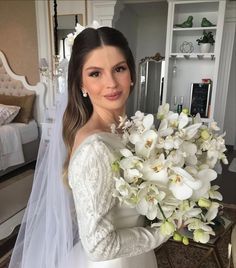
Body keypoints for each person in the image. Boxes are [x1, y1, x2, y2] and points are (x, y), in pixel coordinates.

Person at [9, 26, 169, 268]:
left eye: (119, 69)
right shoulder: (95, 148)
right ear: (81, 84)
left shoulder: (133, 130)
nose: (111, 83)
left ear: (132, 74)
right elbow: (99, 246)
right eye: (95, 73)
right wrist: (164, 231)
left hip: (138, 257)